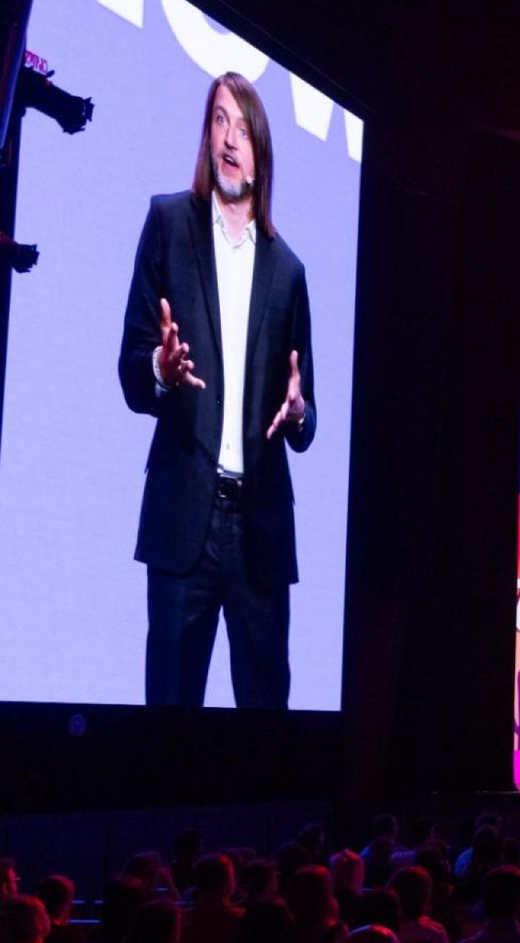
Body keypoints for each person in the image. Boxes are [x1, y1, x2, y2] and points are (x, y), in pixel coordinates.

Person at [118, 70, 317, 709]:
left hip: (258, 529)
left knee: (266, 726)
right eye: (218, 121)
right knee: (169, 721)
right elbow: (130, 370)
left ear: (261, 155)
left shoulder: (289, 271)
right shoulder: (168, 223)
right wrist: (161, 367)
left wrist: (298, 411)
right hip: (185, 524)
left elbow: (306, 418)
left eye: (243, 127)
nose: (229, 138)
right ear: (207, 139)